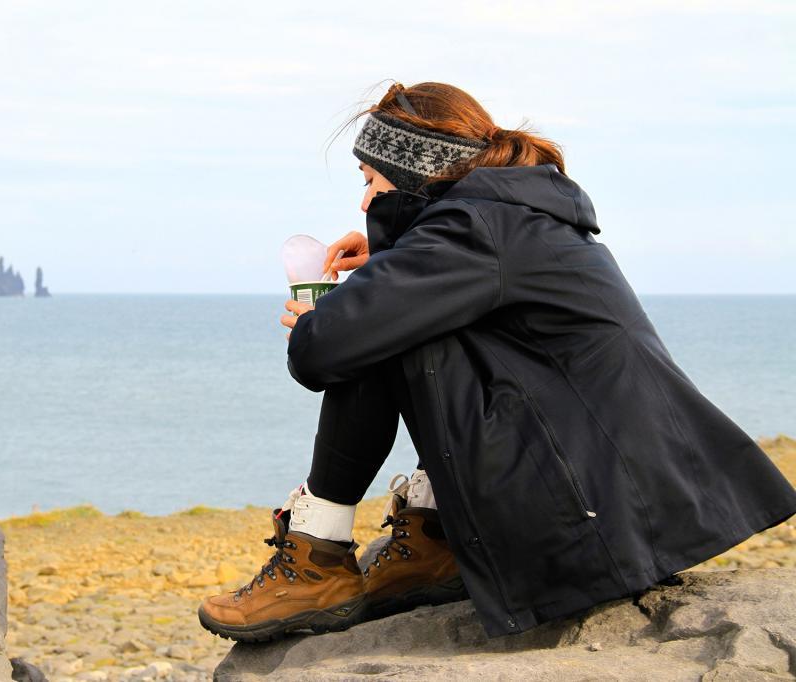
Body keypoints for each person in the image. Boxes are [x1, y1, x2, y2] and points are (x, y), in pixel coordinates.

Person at [197, 81, 796, 642]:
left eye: (371, 179)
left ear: (413, 174)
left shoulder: (474, 228)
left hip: (587, 521)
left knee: (373, 333)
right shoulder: (509, 215)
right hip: (622, 505)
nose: (364, 199)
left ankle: (317, 558)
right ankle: (432, 539)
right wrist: (385, 257)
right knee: (388, 319)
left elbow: (322, 352)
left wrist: (320, 318)